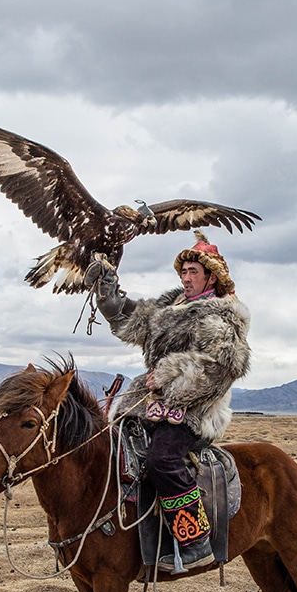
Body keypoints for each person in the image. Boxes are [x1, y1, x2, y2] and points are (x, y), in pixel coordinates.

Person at [84, 232, 251, 572]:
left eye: (193, 272)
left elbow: (222, 369)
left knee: (162, 459)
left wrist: (167, 375)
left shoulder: (222, 317)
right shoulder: (170, 306)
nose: (186, 278)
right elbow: (130, 321)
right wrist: (106, 290)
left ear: (211, 276)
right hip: (153, 403)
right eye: (183, 272)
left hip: (195, 411)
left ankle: (194, 541)